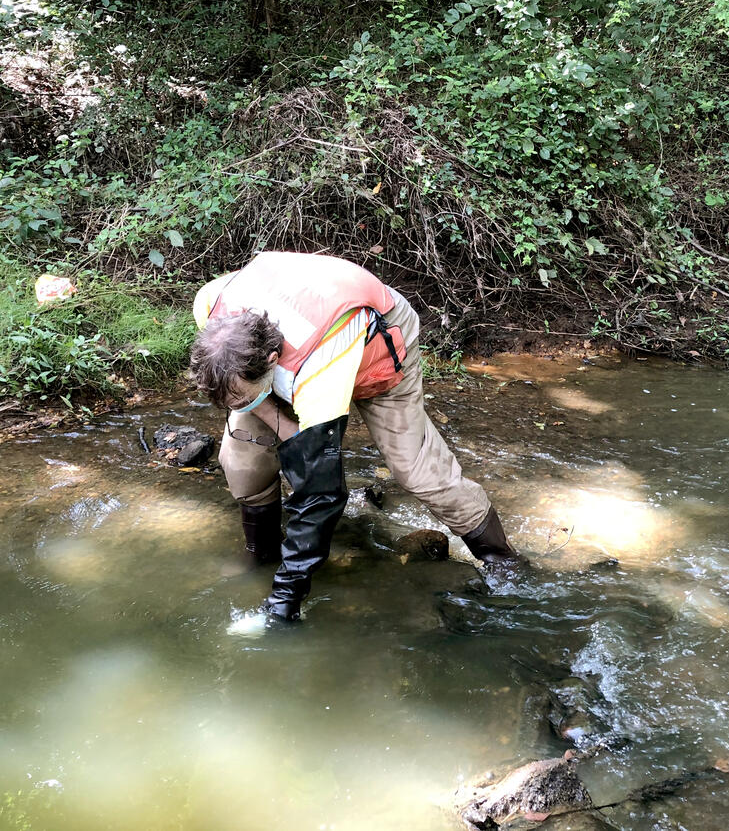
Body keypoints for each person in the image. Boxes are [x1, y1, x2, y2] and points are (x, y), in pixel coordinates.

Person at [188, 251, 520, 622]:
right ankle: (261, 553)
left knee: (415, 469)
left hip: (376, 346)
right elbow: (246, 393)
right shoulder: (213, 306)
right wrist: (257, 405)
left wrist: (284, 602)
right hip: (300, 344)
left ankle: (502, 560)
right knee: (242, 458)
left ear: (269, 361)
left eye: (241, 396)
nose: (238, 405)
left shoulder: (318, 374)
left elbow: (320, 492)